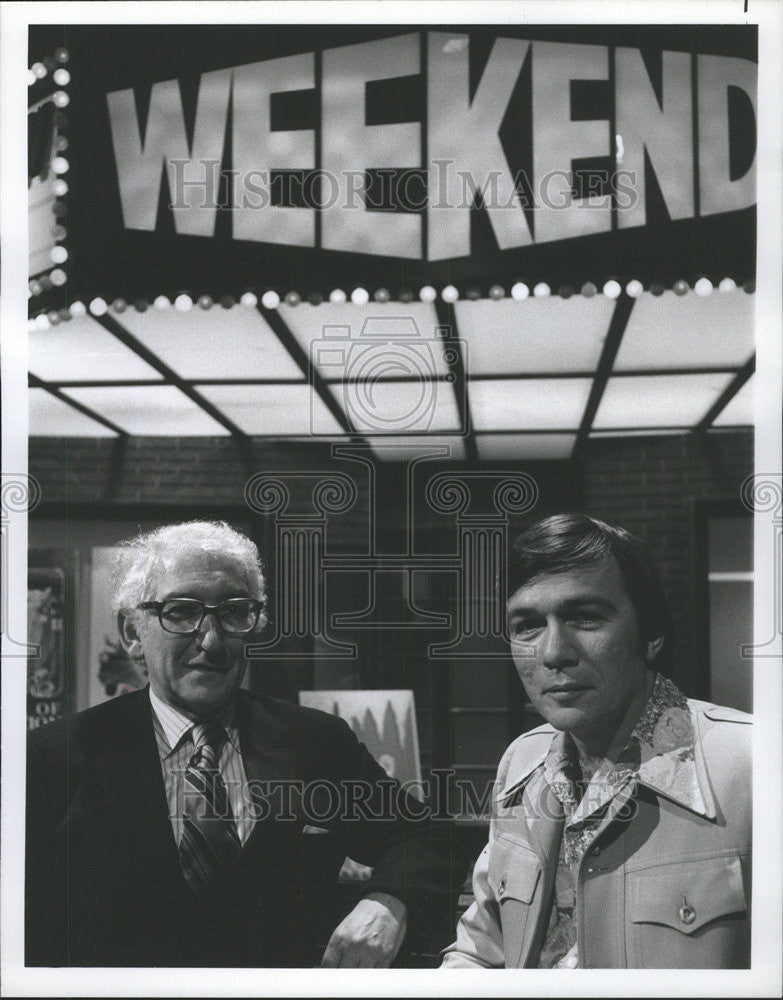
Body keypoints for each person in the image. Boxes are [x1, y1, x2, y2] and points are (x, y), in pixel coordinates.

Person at [26, 521, 464, 968]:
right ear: (133, 633)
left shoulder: (315, 741)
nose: (212, 640)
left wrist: (388, 903)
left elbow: (427, 837)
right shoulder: (55, 757)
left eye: (234, 611)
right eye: (181, 611)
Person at [441, 513, 751, 969]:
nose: (553, 653)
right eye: (527, 625)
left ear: (651, 634)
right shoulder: (523, 760)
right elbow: (483, 947)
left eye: (585, 617)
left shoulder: (755, 766)